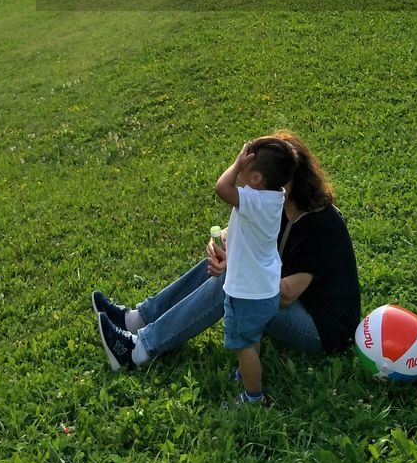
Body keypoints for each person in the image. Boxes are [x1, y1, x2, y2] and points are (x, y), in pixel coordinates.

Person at [93, 131, 361, 378]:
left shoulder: (319, 224)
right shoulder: (279, 203)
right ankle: (136, 319)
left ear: (286, 182)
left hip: (320, 328)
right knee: (233, 272)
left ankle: (139, 349)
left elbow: (288, 293)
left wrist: (235, 269)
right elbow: (231, 233)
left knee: (234, 285)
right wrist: (220, 245)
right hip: (291, 303)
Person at [214, 137, 297, 405]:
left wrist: (237, 164)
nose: (239, 170)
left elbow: (221, 188)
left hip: (246, 293)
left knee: (244, 344)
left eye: (245, 167)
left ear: (257, 178)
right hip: (265, 289)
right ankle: (245, 371)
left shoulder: (252, 199)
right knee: (253, 335)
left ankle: (253, 396)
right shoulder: (276, 197)